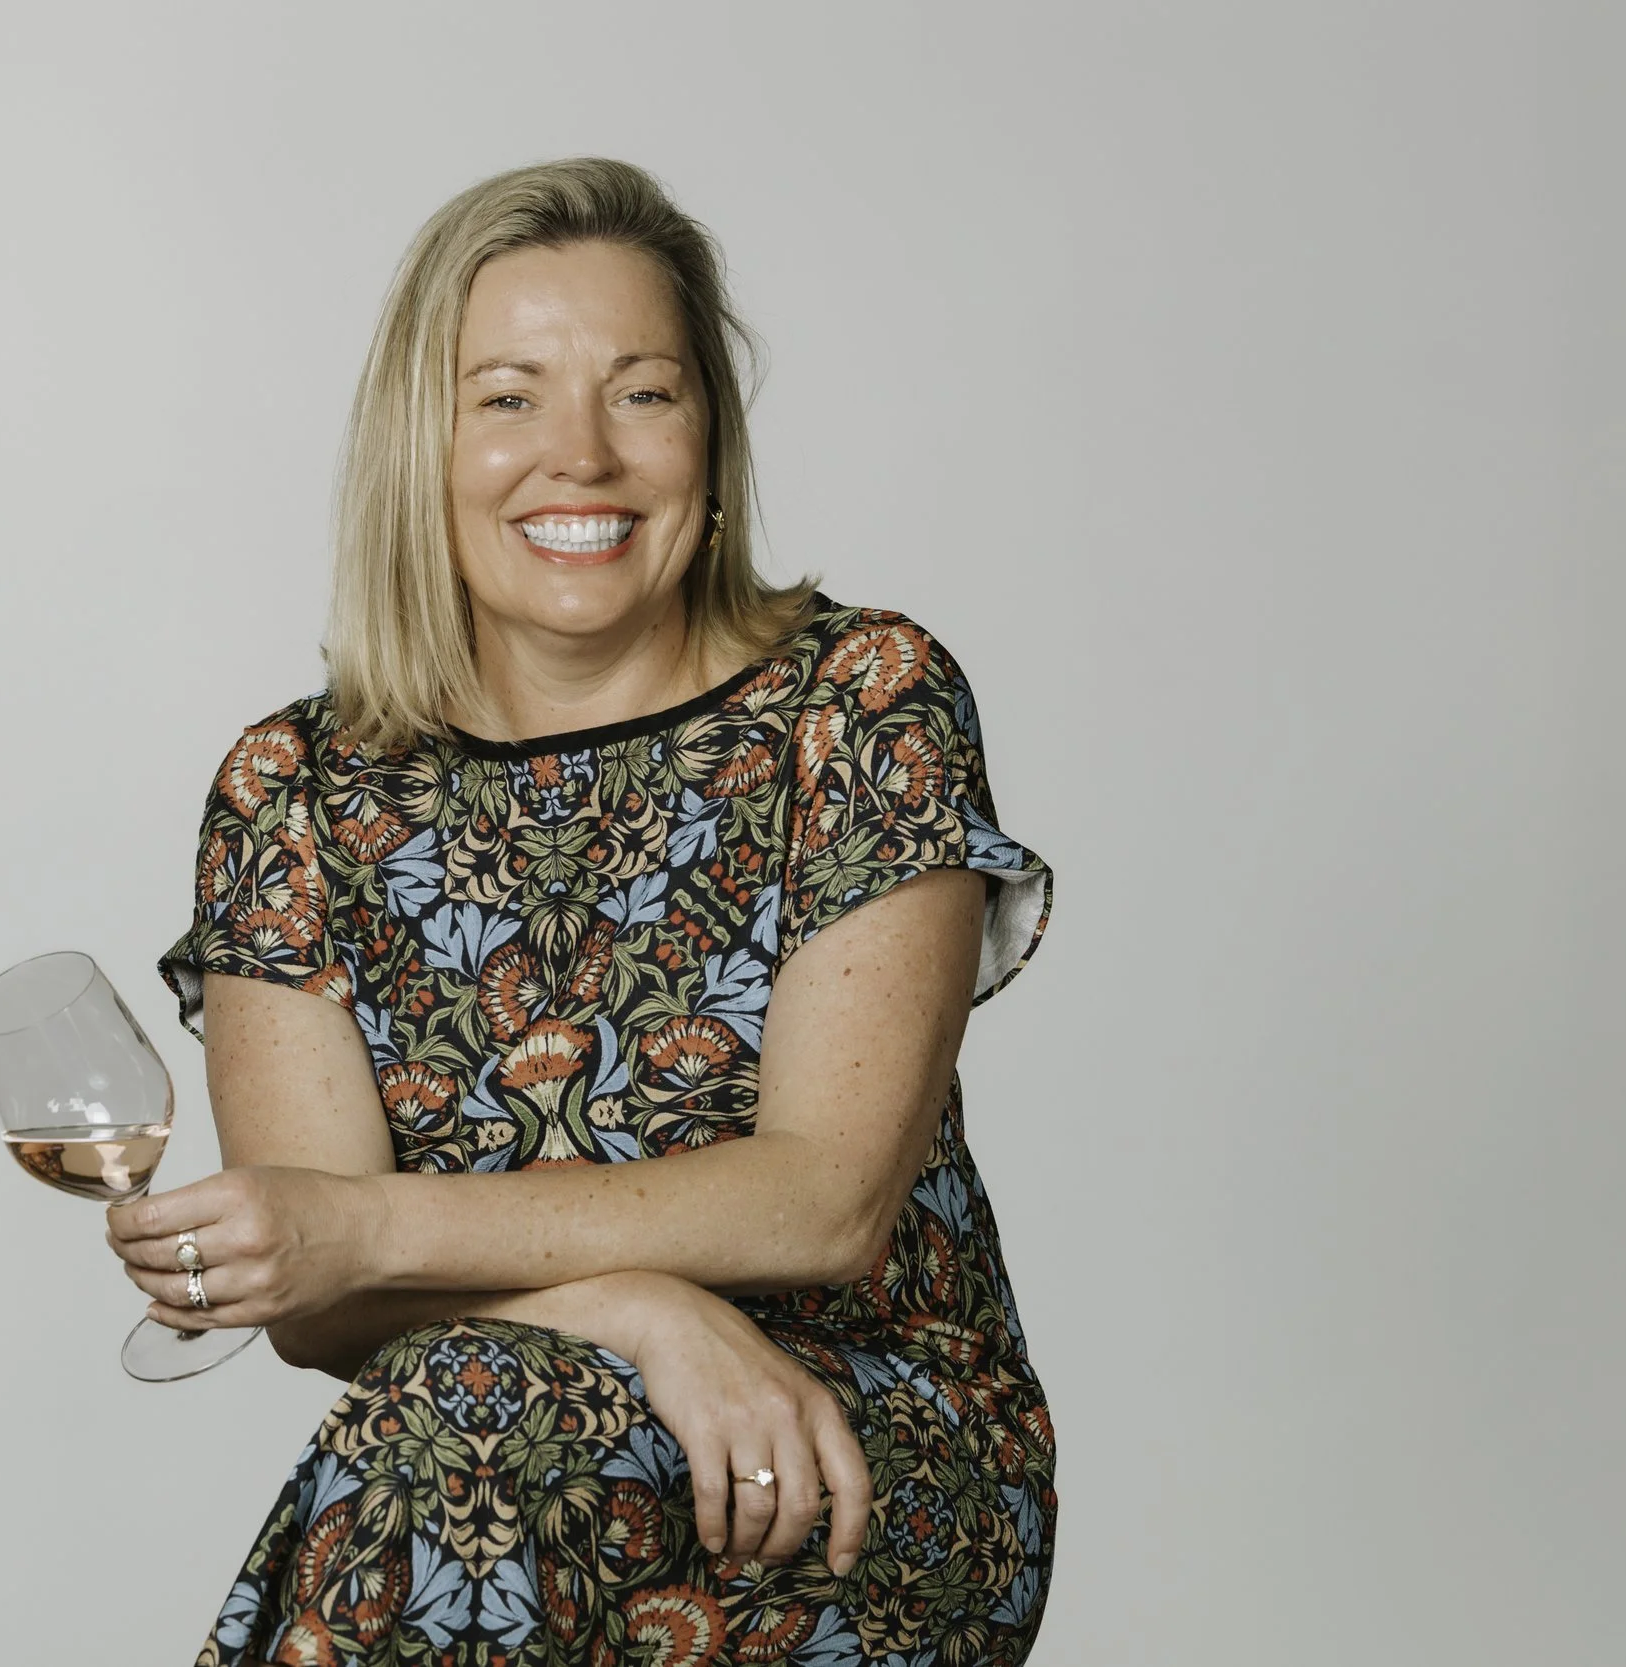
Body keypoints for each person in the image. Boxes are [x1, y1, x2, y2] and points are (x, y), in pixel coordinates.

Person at [106, 157, 1056, 1667]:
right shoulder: (293, 786)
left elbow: (825, 1199)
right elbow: (323, 1305)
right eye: (508, 399)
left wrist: (364, 1227)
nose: (582, 456)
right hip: (485, 1441)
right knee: (459, 1422)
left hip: (840, 1442)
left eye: (643, 394)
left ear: (712, 442)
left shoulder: (859, 702)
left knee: (452, 1431)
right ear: (422, 448)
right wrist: (631, 1305)